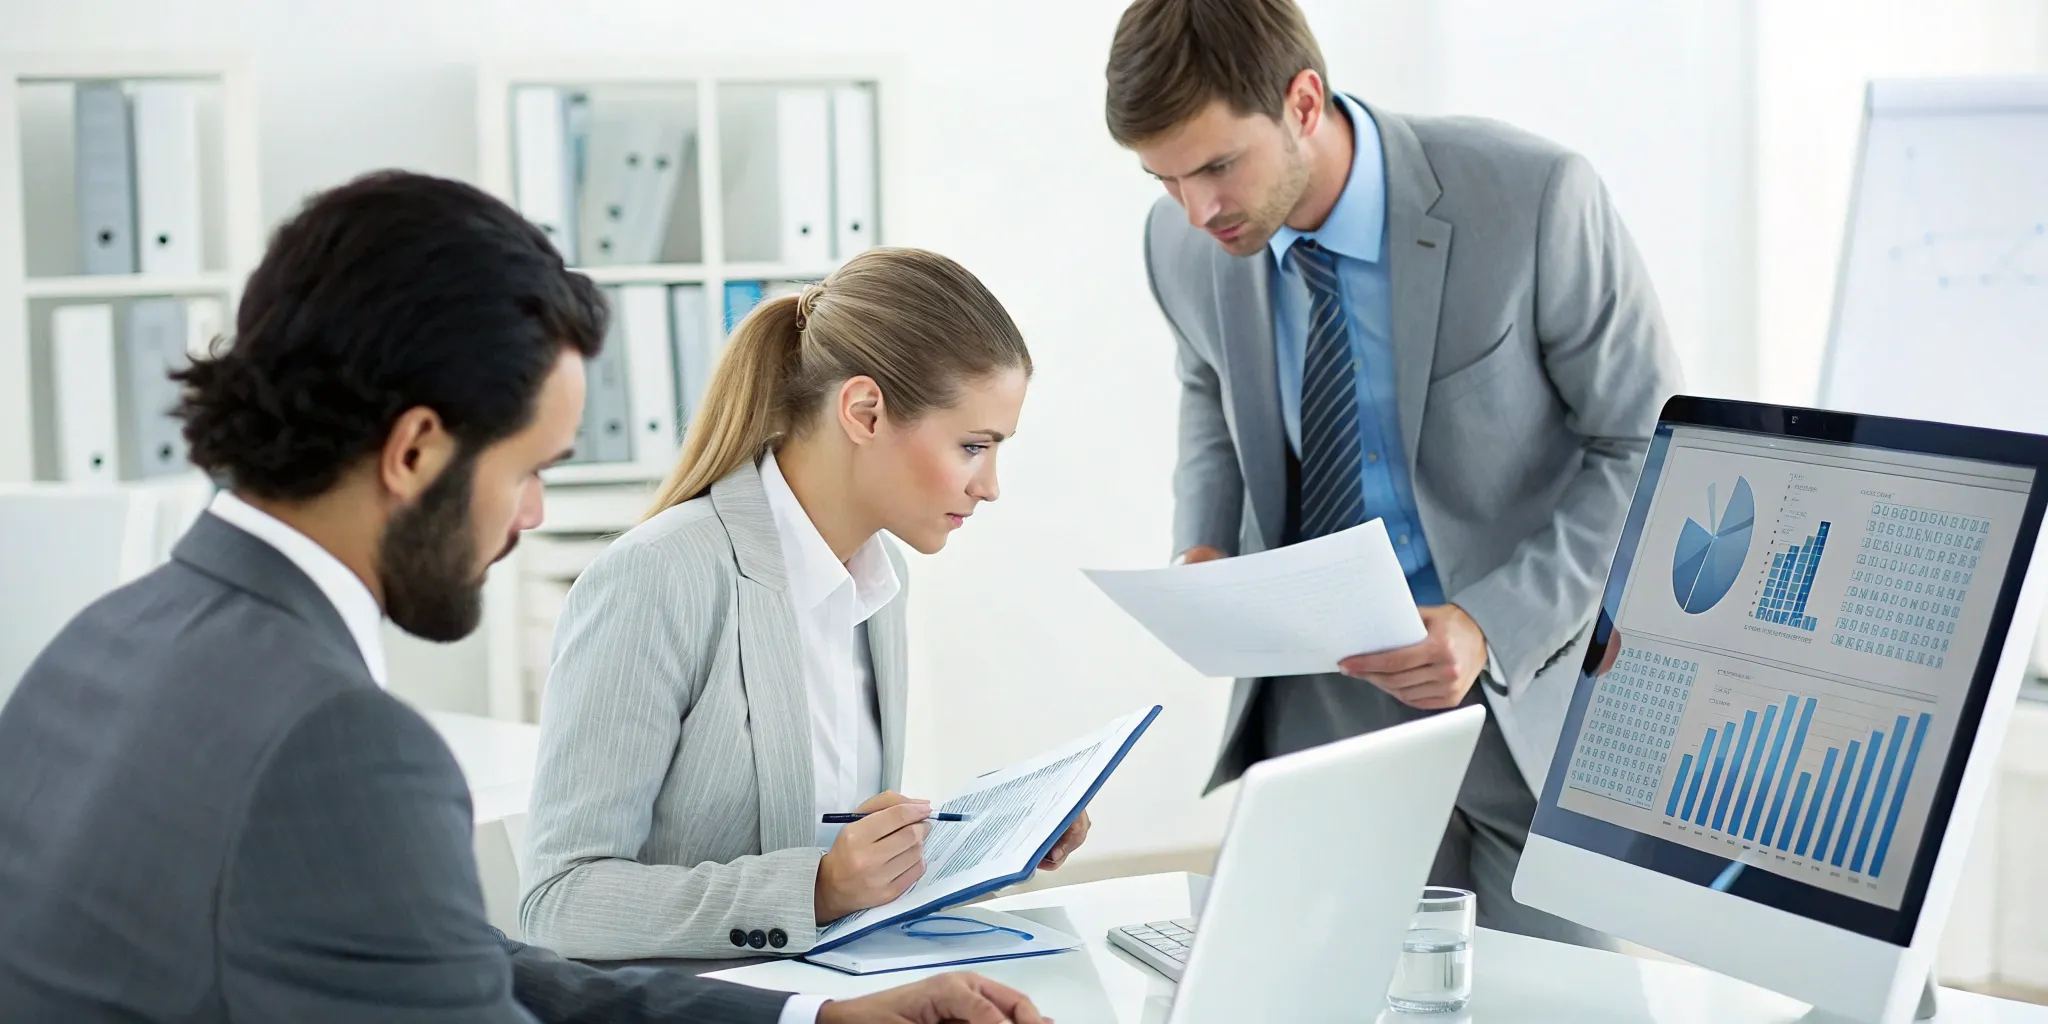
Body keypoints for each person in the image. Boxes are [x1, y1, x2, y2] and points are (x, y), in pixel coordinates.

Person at [0, 171, 1044, 1024]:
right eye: (529, 468)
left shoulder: (91, 648)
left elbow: (459, 957)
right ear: (416, 449)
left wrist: (806, 1023)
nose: (532, 515)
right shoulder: (339, 740)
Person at [1105, 0, 1683, 944]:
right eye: (1163, 178)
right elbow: (1207, 390)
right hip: (1317, 699)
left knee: (1571, 1001)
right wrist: (1203, 546)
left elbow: (1647, 445)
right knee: (1334, 992)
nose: (1198, 208)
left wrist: (1490, 625)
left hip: (1522, 691)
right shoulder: (1181, 243)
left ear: (1302, 101)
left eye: (1216, 165)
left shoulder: (1532, 196)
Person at [520, 246, 1088, 961]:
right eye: (973, 445)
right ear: (863, 411)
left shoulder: (881, 582)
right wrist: (816, 889)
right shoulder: (659, 576)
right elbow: (560, 904)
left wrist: (989, 847)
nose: (990, 485)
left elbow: (826, 853)